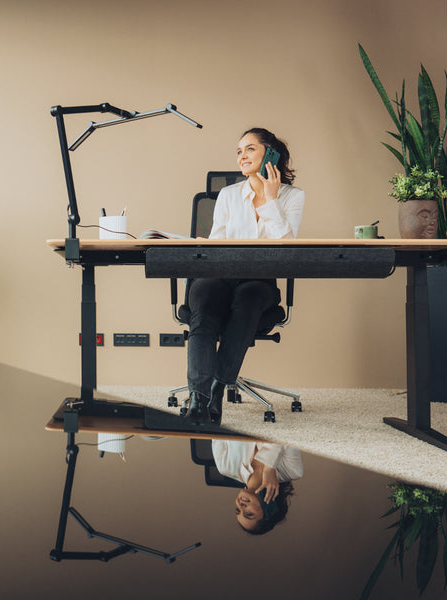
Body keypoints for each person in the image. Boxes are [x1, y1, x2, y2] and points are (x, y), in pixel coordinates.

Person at [186, 127, 305, 425]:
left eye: (250, 149)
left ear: (271, 153)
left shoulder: (292, 197)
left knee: (249, 299)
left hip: (259, 281)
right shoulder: (228, 196)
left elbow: (287, 248)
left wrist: (271, 199)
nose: (242, 156)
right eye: (239, 151)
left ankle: (217, 388)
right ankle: (198, 400)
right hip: (220, 276)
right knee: (204, 308)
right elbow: (216, 243)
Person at [211, 440, 303, 534]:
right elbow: (282, 433)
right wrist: (269, 469)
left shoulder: (225, 467)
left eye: (237, 510)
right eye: (249, 514)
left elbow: (214, 428)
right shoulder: (292, 471)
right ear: (269, 508)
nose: (241, 506)